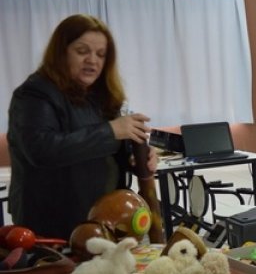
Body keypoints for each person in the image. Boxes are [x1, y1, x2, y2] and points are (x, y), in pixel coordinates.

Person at [7, 14, 156, 240]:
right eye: (82, 51)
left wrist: (135, 159)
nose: (92, 60)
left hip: (104, 219)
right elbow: (42, 150)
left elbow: (108, 152)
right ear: (61, 52)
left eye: (100, 54)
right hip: (55, 224)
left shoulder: (101, 95)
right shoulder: (34, 94)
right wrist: (111, 131)